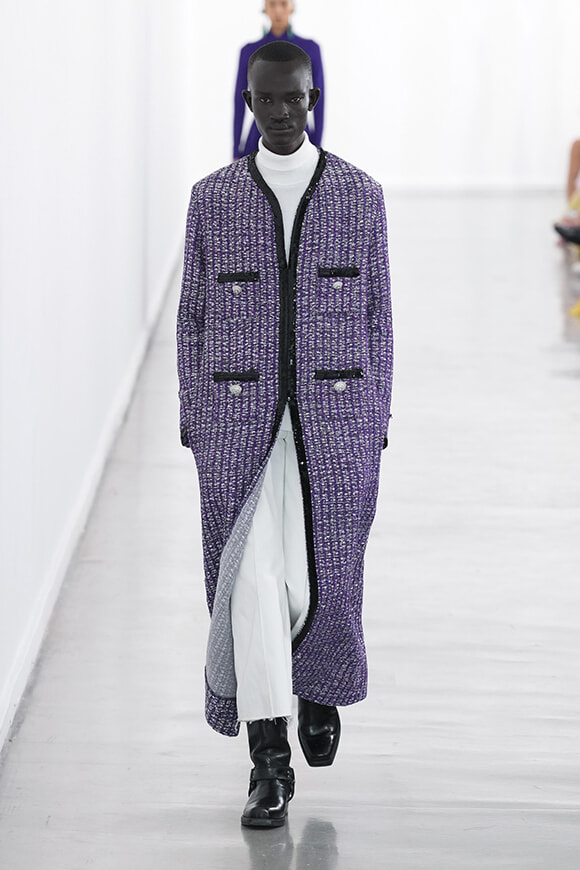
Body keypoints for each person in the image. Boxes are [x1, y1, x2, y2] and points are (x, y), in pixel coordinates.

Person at [177, 41, 393, 829]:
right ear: (249, 103)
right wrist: (194, 418)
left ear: (313, 99)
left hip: (336, 422)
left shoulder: (360, 196)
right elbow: (193, 314)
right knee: (251, 584)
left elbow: (378, 316)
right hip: (237, 426)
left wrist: (377, 418)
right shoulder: (213, 198)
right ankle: (268, 763)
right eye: (265, 99)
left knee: (325, 568)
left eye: (292, 98)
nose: (279, 112)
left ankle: (320, 686)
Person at [233, 0, 324, 159]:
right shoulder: (248, 51)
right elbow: (239, 101)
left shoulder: (311, 49)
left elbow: (320, 100)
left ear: (291, 6)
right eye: (272, 4)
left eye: (283, 4)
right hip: (257, 138)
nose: (278, 11)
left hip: (299, 136)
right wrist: (236, 151)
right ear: (265, 8)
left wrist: (318, 146)